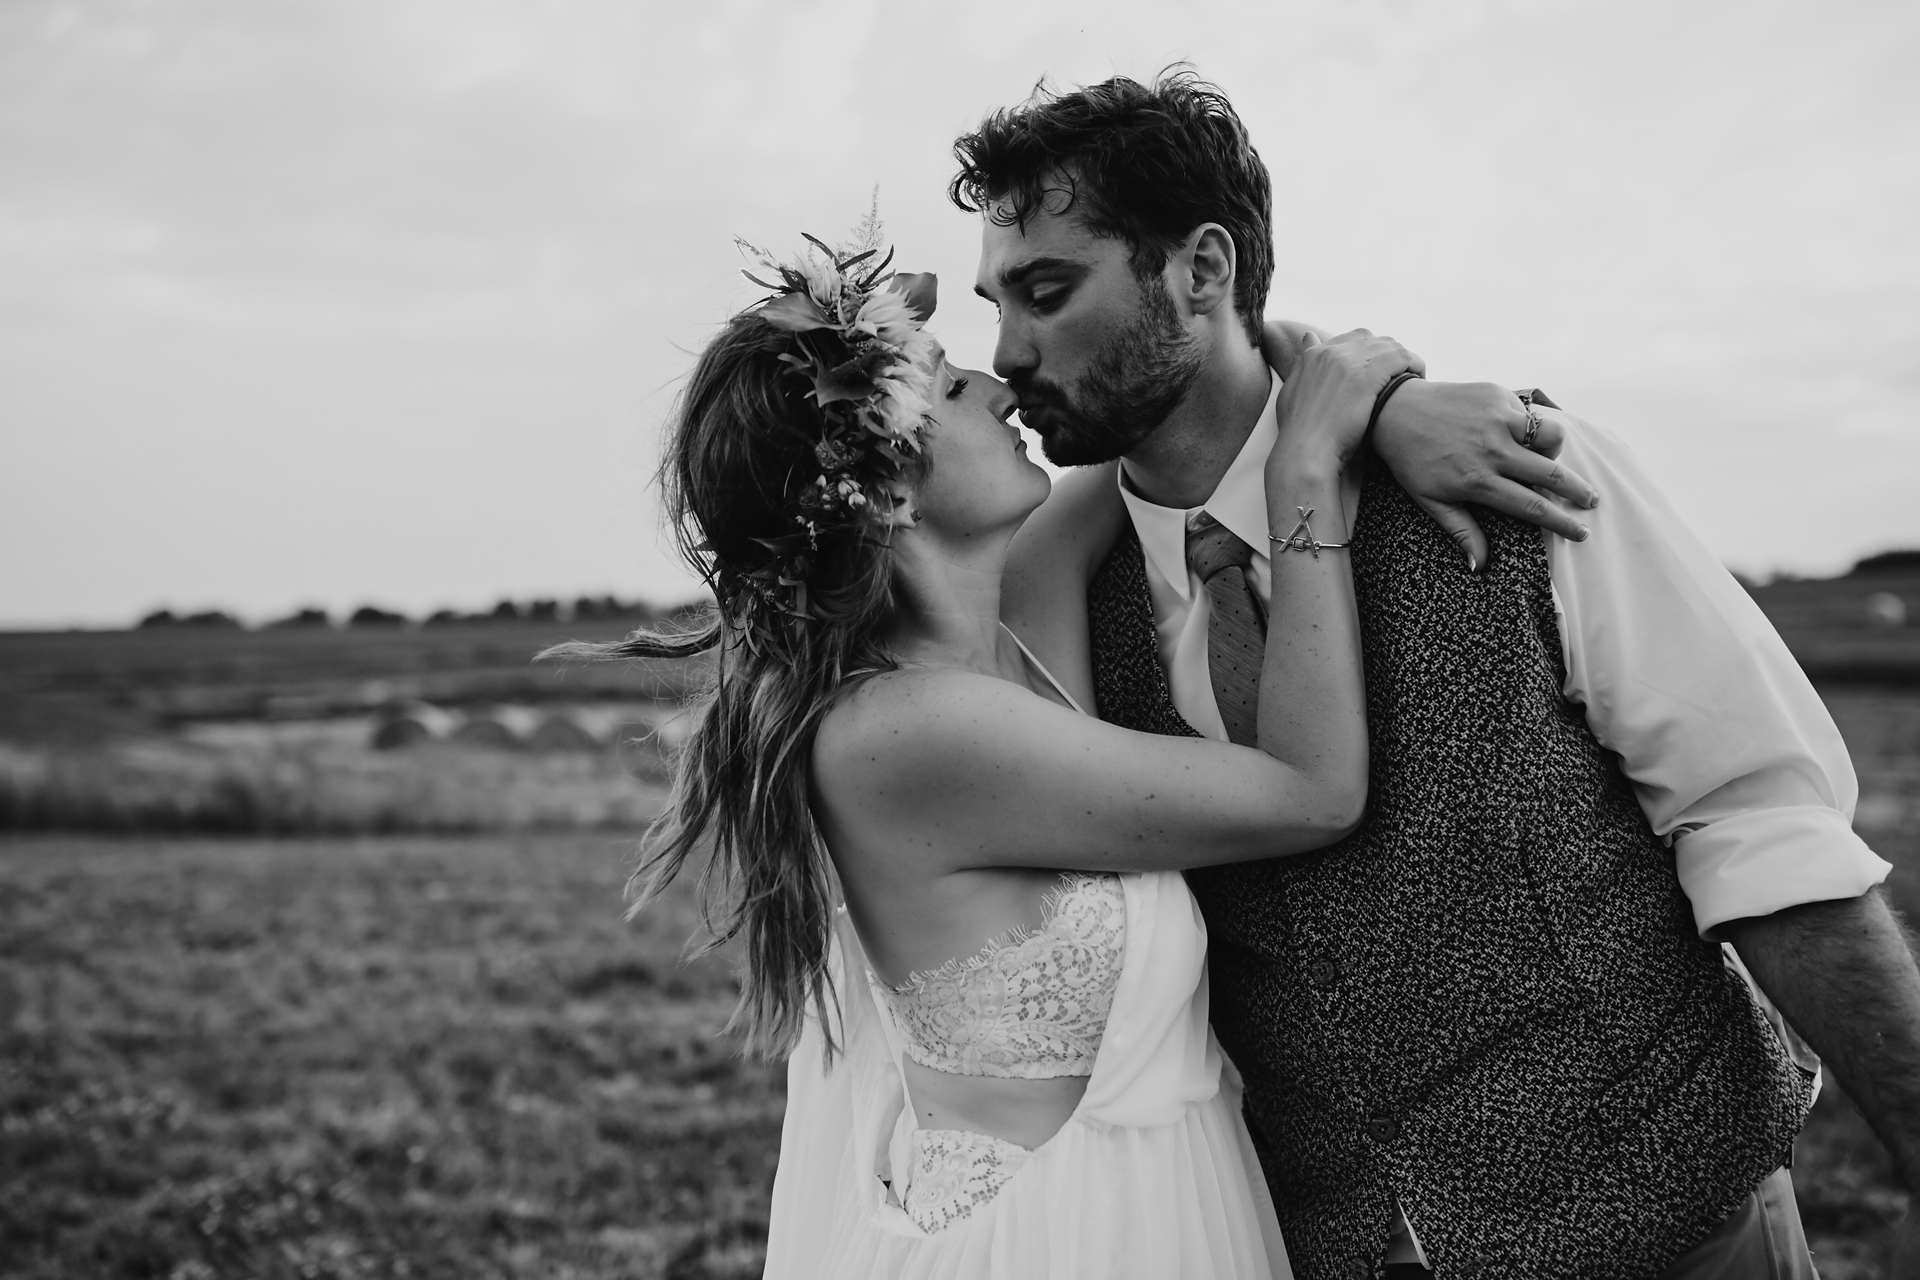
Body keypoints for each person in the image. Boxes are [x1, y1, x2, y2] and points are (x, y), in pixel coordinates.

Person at [957, 69, 1920, 1280]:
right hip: (1337, 1246)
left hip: (1682, 1224)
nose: (1005, 349)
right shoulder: (1058, 607)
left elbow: (1766, 831)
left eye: (1048, 291)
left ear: (1202, 270)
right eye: (999, 300)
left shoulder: (1514, 477)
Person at [565, 226, 1587, 1278]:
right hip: (1054, 1241)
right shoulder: (906, 731)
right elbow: (1311, 790)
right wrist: (1309, 472)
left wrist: (1387, 399)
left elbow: (1193, 390)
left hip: (1168, 1207)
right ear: (891, 493)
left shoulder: (1024, 607)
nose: (1001, 385)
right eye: (953, 388)